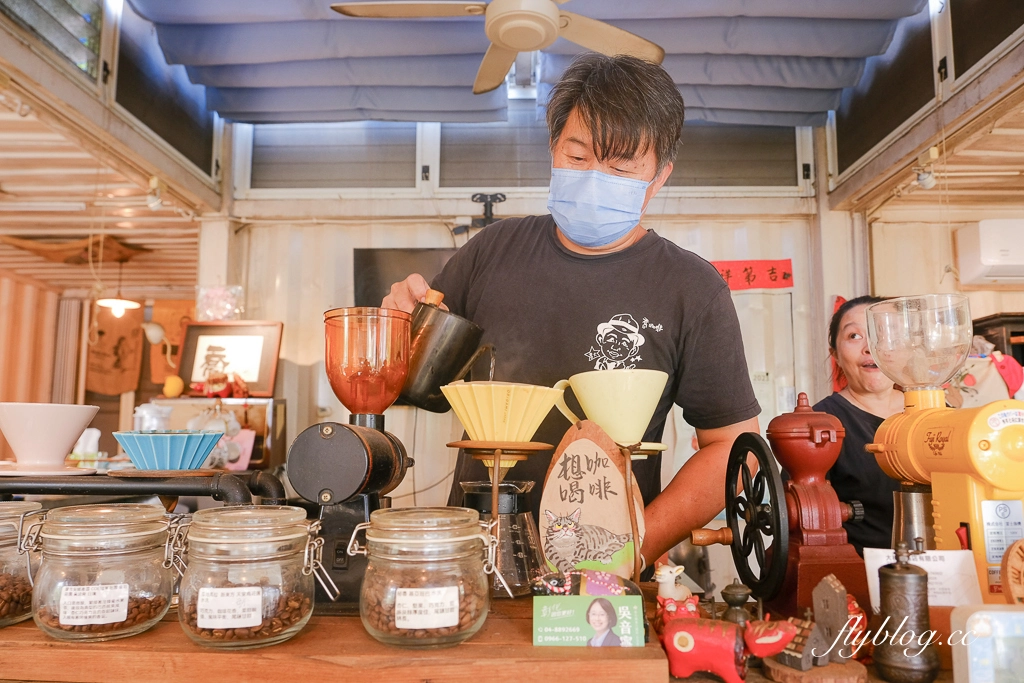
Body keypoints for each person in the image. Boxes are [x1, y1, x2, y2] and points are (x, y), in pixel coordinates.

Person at [383, 54, 761, 567]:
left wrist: (638, 543)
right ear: (553, 150)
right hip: (480, 561)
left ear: (659, 176)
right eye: (578, 157)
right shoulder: (492, 251)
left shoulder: (691, 288)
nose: (593, 178)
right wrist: (394, 331)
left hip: (609, 575)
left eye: (621, 166)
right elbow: (419, 388)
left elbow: (731, 451)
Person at [814, 296, 904, 555]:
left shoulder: (937, 415)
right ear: (835, 355)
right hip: (858, 578)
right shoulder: (819, 424)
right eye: (855, 336)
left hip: (947, 574)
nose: (871, 347)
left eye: (884, 333)